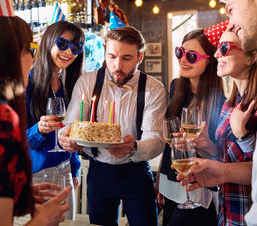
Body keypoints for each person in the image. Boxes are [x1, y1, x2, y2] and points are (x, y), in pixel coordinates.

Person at [59, 26, 167, 226]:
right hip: (98, 172)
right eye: (112, 56)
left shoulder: (153, 89)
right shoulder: (87, 82)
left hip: (136, 171)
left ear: (140, 57)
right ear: (104, 51)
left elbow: (157, 140)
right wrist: (65, 138)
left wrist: (133, 147)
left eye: (127, 58)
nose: (118, 65)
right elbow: (70, 126)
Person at [177, 28, 257, 226]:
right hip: (226, 214)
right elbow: (226, 159)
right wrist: (208, 147)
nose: (216, 54)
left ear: (251, 57)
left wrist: (242, 135)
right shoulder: (230, 103)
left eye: (224, 47)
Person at [0, 15, 71, 226]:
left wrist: (16, 193)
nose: (33, 59)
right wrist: (42, 220)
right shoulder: (5, 119)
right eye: (32, 49)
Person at [156, 28, 225, 226]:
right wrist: (160, 179)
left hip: (199, 183)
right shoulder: (176, 86)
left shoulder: (219, 97)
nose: (183, 60)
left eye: (192, 56)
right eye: (180, 52)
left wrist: (205, 144)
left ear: (209, 60)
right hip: (171, 177)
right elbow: (170, 141)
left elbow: (221, 153)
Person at [25, 20, 85, 220]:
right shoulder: (28, 83)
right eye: (62, 44)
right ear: (48, 42)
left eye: (75, 48)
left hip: (65, 172)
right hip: (36, 178)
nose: (69, 52)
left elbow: (69, 133)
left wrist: (74, 167)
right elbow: (17, 141)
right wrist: (39, 130)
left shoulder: (70, 84)